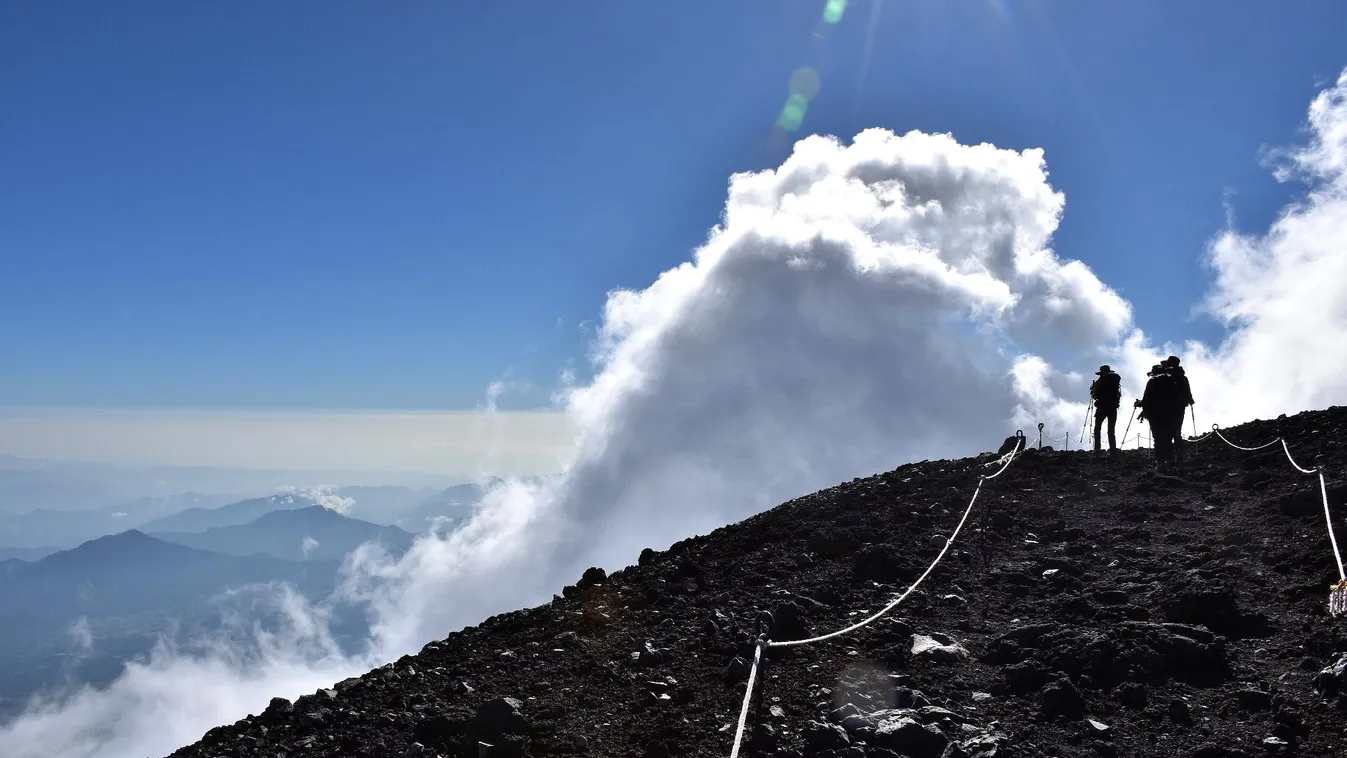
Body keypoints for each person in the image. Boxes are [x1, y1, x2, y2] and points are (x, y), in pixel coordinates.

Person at [1136, 363, 1180, 471]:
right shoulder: (1171, 380)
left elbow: (1146, 399)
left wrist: (1139, 404)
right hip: (1169, 414)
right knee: (1168, 438)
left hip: (1155, 415)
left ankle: (1160, 463)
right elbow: (1176, 397)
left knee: (1158, 438)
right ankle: (1170, 461)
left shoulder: (1152, 381)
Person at [1164, 355, 1195, 466]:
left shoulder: (1166, 375)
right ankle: (1179, 456)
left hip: (1168, 406)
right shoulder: (1182, 376)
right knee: (1177, 431)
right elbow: (1187, 389)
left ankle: (1169, 458)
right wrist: (1190, 400)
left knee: (1167, 431)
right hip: (1180, 406)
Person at [1089, 364, 1122, 454]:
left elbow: (1095, 395)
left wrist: (1093, 389)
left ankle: (1097, 449)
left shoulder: (1100, 381)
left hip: (1102, 407)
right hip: (1113, 406)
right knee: (1111, 429)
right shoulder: (1115, 380)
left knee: (1097, 428)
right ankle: (1113, 449)